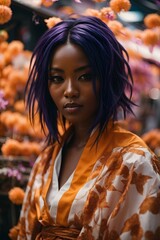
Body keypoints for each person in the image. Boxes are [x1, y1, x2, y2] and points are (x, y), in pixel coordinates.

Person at [10, 16, 160, 240]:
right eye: (57, 78)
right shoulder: (46, 159)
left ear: (108, 78)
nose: (70, 90)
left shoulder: (135, 161)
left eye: (85, 76)